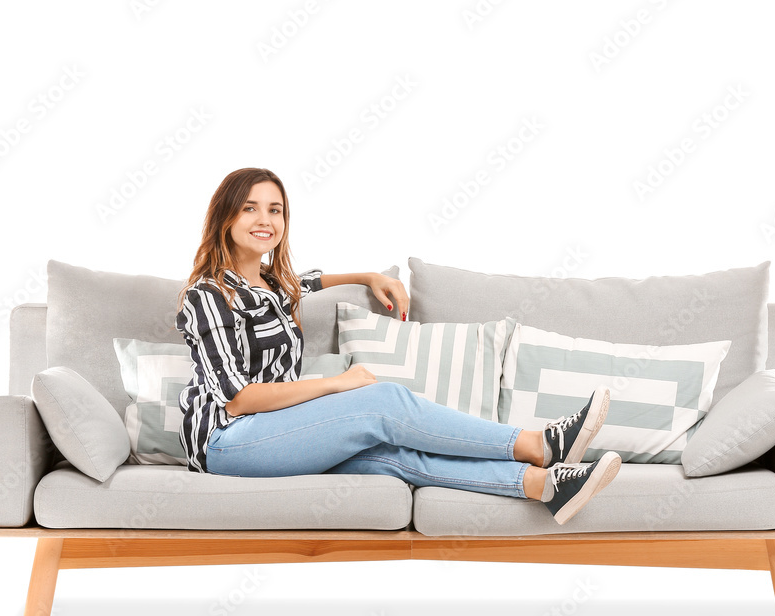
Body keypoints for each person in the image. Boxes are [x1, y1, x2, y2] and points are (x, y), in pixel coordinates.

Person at [174, 167, 622, 525]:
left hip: (277, 432)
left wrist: (369, 276)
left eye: (275, 210)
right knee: (383, 403)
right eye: (250, 208)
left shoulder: (274, 283)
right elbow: (239, 398)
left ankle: (543, 486)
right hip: (227, 442)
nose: (265, 220)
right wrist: (337, 385)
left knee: (391, 457)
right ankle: (537, 444)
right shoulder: (209, 294)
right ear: (226, 217)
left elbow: (309, 280)